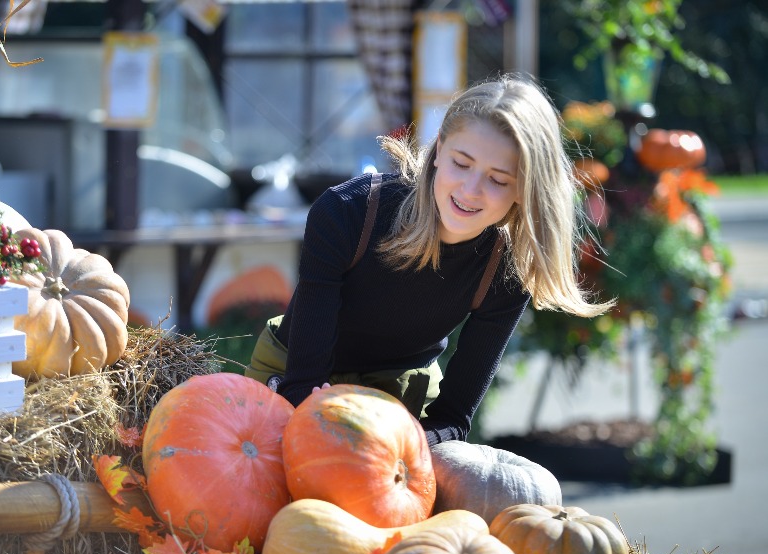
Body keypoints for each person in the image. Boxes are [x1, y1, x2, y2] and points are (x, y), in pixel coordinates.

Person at [244, 73, 614, 445]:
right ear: (438, 150)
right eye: (462, 163)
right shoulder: (348, 213)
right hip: (295, 375)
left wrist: (409, 448)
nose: (471, 190)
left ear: (523, 189)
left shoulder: (508, 268)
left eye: (498, 180)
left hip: (402, 395)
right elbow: (303, 386)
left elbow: (453, 417)